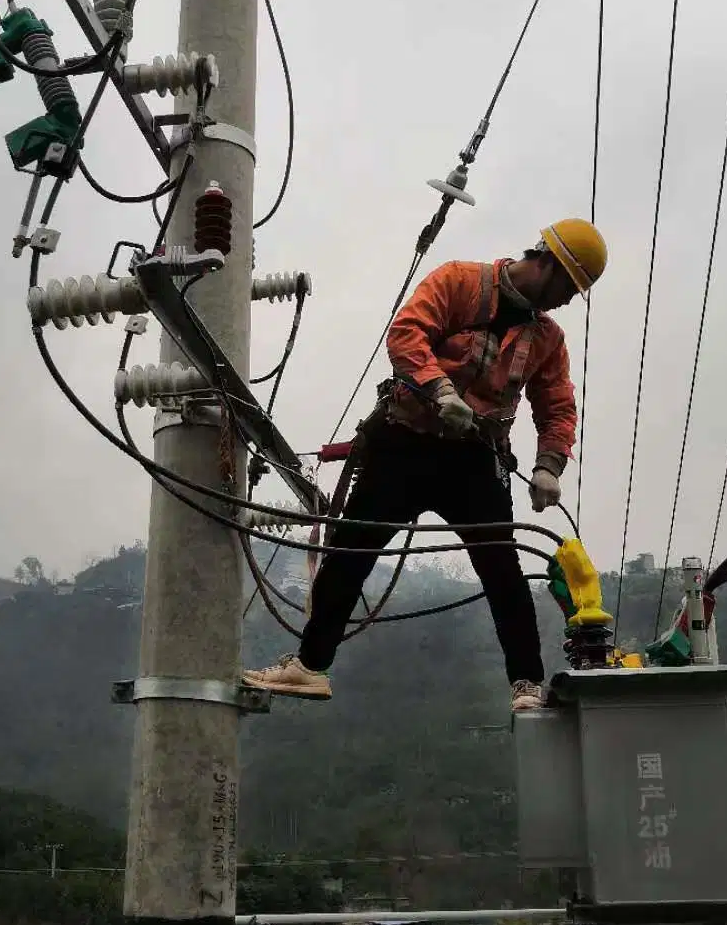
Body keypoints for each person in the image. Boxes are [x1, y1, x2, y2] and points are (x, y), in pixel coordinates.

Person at [243, 218, 608, 714]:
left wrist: (549, 464)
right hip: (406, 441)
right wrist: (439, 389)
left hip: (476, 459)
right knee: (352, 550)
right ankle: (310, 667)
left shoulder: (547, 338)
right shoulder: (460, 282)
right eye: (568, 286)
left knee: (502, 570)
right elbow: (407, 333)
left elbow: (557, 406)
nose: (566, 299)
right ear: (547, 262)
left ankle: (526, 683)